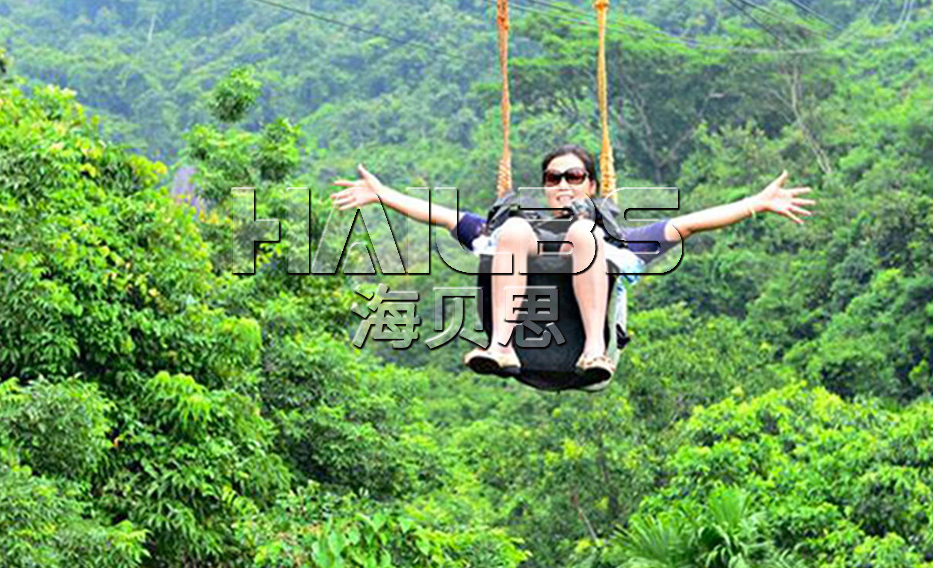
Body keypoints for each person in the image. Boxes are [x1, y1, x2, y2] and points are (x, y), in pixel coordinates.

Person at [331, 144, 815, 379]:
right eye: (553, 177)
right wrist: (382, 194)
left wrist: (756, 202)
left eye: (574, 176)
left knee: (583, 235)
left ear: (591, 184)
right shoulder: (508, 233)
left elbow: (689, 224)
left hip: (583, 354)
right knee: (515, 230)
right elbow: (442, 216)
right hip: (529, 346)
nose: (562, 185)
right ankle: (500, 345)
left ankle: (593, 350)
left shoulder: (618, 243)